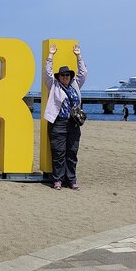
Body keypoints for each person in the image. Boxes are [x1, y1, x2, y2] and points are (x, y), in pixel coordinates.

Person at [43, 43, 88, 190]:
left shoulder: (75, 85)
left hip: (73, 124)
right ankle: (58, 180)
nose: (65, 77)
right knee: (58, 153)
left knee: (72, 153)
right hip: (58, 123)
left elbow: (83, 72)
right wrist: (51, 55)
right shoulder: (53, 85)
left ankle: (71, 180)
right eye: (62, 75)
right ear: (59, 76)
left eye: (67, 75)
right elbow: (47, 73)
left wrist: (78, 55)